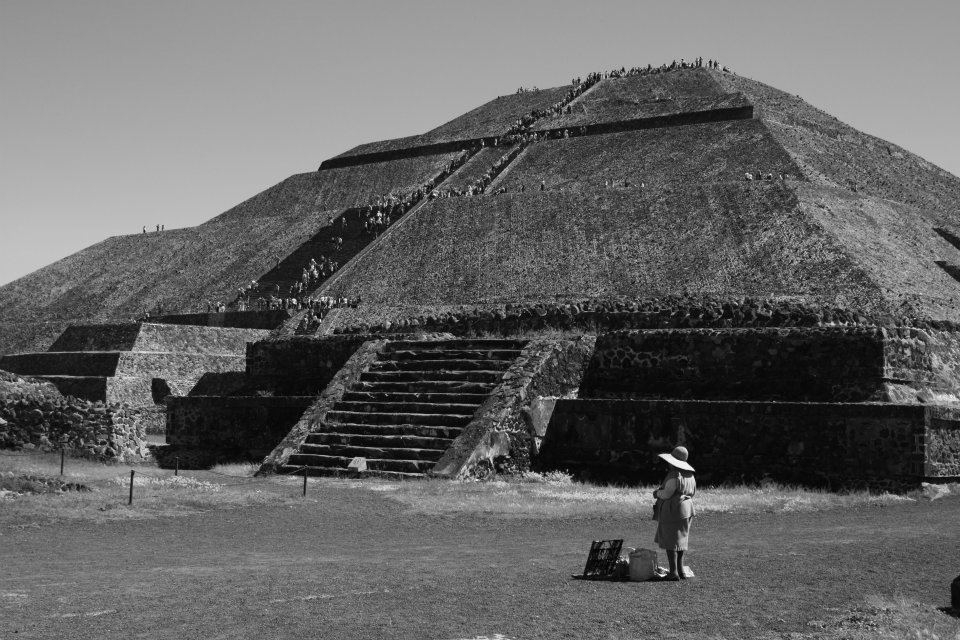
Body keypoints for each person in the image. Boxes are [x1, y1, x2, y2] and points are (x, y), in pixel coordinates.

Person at [652, 446, 696, 581]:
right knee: (681, 541)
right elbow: (692, 492)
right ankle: (681, 570)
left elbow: (667, 494)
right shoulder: (690, 475)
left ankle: (673, 572)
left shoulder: (674, 475)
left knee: (671, 541)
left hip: (673, 510)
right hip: (687, 510)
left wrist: (656, 493)